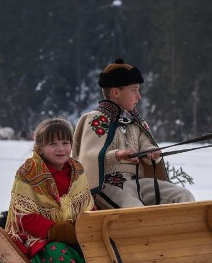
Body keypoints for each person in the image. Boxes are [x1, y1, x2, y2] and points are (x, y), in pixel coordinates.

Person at [4, 118, 100, 263]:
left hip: (74, 231)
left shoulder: (76, 170)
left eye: (65, 143)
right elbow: (23, 215)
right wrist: (56, 230)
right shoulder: (29, 172)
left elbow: (86, 204)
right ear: (40, 147)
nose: (60, 149)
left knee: (97, 250)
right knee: (56, 252)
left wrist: (91, 226)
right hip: (40, 236)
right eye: (52, 144)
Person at [72, 58, 195, 209]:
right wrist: (117, 155)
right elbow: (88, 157)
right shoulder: (95, 119)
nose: (139, 96)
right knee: (135, 210)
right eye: (134, 90)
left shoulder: (136, 121)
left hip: (138, 182)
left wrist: (152, 154)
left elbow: (146, 146)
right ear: (116, 92)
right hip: (108, 185)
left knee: (183, 196)